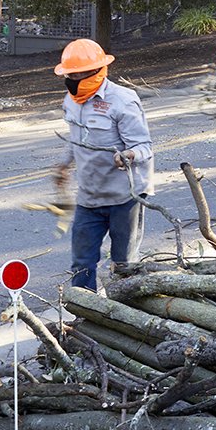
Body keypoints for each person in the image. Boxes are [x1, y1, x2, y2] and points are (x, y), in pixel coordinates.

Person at [51, 38, 152, 291]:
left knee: (124, 265)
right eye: (69, 74)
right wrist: (64, 165)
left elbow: (144, 147)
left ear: (97, 71)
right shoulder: (70, 101)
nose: (72, 80)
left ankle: (124, 315)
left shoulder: (123, 100)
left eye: (79, 74)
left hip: (124, 198)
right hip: (89, 198)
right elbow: (76, 139)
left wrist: (128, 156)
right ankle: (83, 314)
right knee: (82, 263)